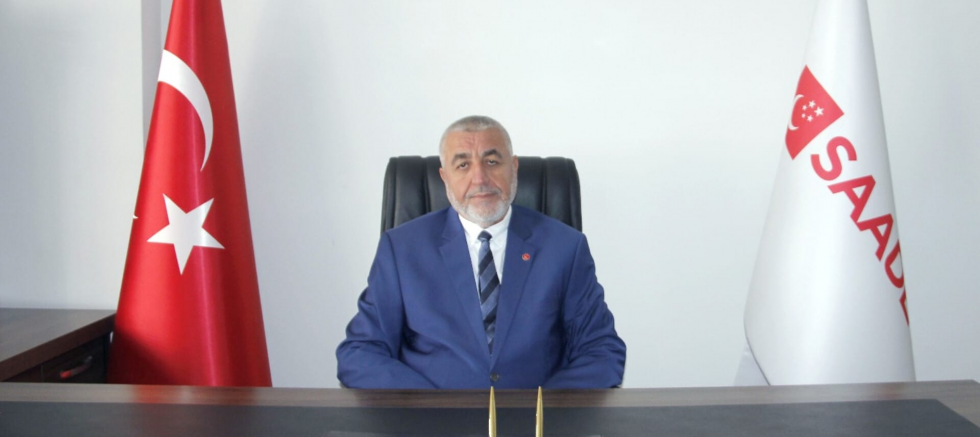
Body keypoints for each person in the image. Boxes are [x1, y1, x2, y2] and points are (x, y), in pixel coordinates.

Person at [336, 115, 626, 389]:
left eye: (491, 161)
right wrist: (427, 406)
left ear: (514, 167)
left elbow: (602, 350)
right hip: (432, 418)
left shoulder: (564, 247)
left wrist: (542, 409)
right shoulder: (401, 250)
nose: (480, 178)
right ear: (444, 177)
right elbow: (360, 352)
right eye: (463, 165)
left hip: (534, 418)